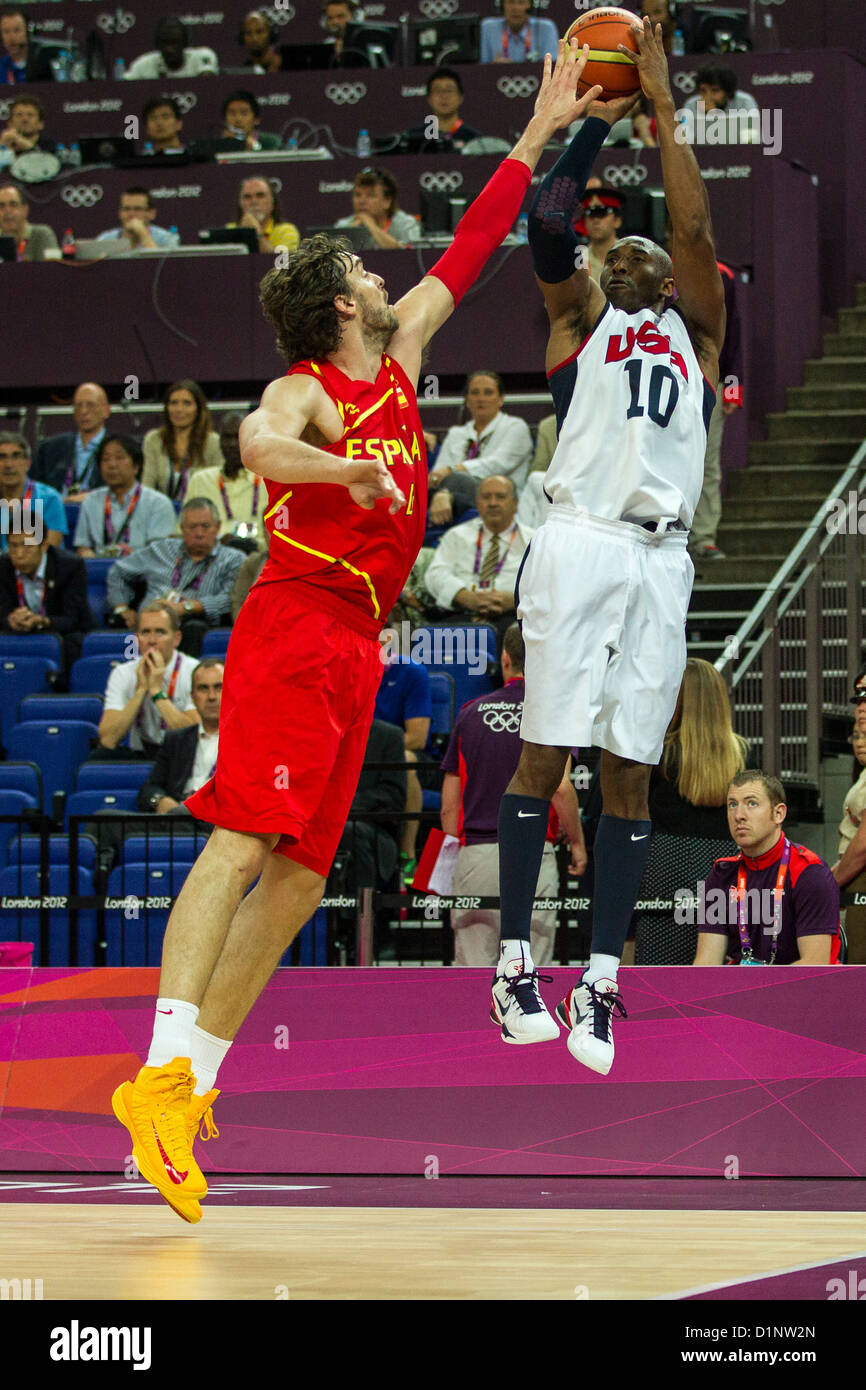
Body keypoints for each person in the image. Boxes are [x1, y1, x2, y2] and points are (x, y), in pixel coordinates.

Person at [108, 39, 609, 1223]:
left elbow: (472, 247)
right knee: (237, 848)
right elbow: (256, 450)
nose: (385, 274)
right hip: (291, 620)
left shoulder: (403, 351)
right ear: (340, 300)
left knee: (296, 879)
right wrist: (352, 474)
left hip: (356, 644)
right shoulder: (308, 388)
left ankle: (188, 1099)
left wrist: (534, 136)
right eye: (362, 269)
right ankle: (157, 1070)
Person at [494, 17, 725, 1075]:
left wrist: (667, 114)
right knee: (546, 756)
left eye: (642, 248)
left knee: (629, 776)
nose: (623, 251)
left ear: (672, 277)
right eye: (610, 245)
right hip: (579, 538)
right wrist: (589, 127)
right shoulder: (573, 322)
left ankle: (596, 983)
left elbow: (690, 221)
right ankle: (508, 967)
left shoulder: (699, 328)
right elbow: (546, 225)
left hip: (661, 559)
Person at [442, 622, 586, 967]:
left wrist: (453, 859)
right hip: (535, 853)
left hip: (477, 854)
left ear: (505, 659)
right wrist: (578, 844)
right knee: (531, 974)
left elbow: (449, 809)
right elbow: (562, 788)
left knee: (473, 975)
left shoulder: (469, 713)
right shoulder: (554, 713)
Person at [693, 772, 840, 966]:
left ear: (778, 813)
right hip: (741, 989)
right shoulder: (722, 874)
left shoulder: (809, 872)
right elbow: (706, 963)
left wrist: (756, 992)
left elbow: (814, 964)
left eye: (751, 803)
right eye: (732, 804)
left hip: (803, 990)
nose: (739, 816)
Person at [106, 499, 244, 650]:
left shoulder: (234, 559)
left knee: (194, 629)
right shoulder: (161, 550)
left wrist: (186, 607)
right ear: (182, 528)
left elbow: (230, 599)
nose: (199, 534)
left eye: (205, 526)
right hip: (148, 621)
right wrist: (122, 608)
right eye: (192, 527)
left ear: (217, 527)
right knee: (116, 625)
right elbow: (118, 572)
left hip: (193, 624)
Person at [424, 475, 531, 636]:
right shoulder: (457, 536)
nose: (493, 503)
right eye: (486, 497)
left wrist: (517, 599)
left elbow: (547, 586)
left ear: (515, 503)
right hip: (461, 616)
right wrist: (462, 595)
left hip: (513, 619)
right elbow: (435, 573)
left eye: (500, 497)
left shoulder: (533, 541)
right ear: (477, 503)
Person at [427, 371, 533, 527]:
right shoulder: (456, 433)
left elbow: (497, 465)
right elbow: (437, 475)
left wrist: (452, 470)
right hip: (454, 499)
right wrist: (443, 490)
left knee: (462, 479)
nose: (481, 399)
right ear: (467, 400)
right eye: (474, 393)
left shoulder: (516, 427)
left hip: (500, 500)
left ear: (501, 399)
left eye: (488, 393)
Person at [96, 601, 200, 760]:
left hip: (182, 755)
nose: (152, 640)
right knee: (100, 757)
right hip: (141, 752)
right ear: (136, 639)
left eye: (160, 632)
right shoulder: (123, 673)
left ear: (176, 638)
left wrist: (156, 691)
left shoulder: (194, 671)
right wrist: (141, 689)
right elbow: (108, 740)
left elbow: (192, 737)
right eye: (145, 632)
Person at [689, 258, 743, 561]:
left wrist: (733, 387)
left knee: (708, 462)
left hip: (712, 380)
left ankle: (705, 536)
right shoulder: (660, 268)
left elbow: (733, 331)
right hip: (672, 377)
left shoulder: (724, 274)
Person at [375, 617, 433, 883]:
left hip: (402, 756)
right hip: (359, 757)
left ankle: (407, 854)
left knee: (407, 760)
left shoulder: (411, 672)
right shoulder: (344, 670)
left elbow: (417, 739)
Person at [138, 660, 223, 815]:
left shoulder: (247, 741)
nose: (211, 696)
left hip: (219, 822)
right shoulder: (177, 740)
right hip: (177, 819)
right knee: (104, 821)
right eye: (203, 688)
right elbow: (148, 789)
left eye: (219, 687)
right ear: (193, 697)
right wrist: (159, 800)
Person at [0, 529, 93, 672]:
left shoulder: (70, 566)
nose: (19, 554)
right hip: (17, 631)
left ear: (43, 546)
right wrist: (11, 619)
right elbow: (2, 613)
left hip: (63, 631)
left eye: (27, 546)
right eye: (13, 546)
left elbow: (73, 619)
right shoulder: (3, 566)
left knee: (73, 642)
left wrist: (42, 621)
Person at [73, 435, 177, 558]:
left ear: (136, 466)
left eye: (119, 458)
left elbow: (160, 554)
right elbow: (83, 548)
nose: (112, 465)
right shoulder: (91, 501)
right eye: (105, 459)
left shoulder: (158, 503)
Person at [185, 413, 268, 550]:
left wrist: (254, 544)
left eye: (238, 437)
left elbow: (282, 537)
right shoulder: (200, 480)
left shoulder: (269, 481)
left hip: (258, 559)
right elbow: (185, 531)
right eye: (227, 438)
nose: (232, 444)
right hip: (212, 558)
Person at [141, 380, 223, 505]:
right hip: (161, 511)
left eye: (187, 403)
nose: (179, 409)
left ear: (198, 408)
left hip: (202, 512)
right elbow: (147, 485)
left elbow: (218, 485)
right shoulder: (153, 440)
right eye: (174, 403)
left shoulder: (213, 442)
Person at [33, 382, 111, 499]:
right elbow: (34, 490)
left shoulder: (120, 449)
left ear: (106, 411)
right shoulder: (50, 448)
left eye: (90, 405)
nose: (83, 411)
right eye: (78, 405)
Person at [830, 715, 866, 963]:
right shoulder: (862, 776)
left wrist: (830, 883)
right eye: (856, 735)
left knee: (859, 967)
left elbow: (863, 847)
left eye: (865, 735)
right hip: (854, 878)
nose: (860, 743)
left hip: (860, 876)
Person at [0, 432, 66, 551]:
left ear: (28, 463)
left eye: (16, 456)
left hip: (36, 567)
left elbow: (50, 548)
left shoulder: (49, 499)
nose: (8, 465)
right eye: (2, 457)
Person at [335, 167, 420, 252]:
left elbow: (408, 255)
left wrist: (370, 224)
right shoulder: (344, 225)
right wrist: (351, 232)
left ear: (387, 201)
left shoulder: (406, 224)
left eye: (371, 195)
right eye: (357, 195)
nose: (362, 201)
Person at [401, 69, 483, 154]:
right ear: (429, 98)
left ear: (461, 98)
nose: (444, 96)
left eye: (449, 90)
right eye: (437, 91)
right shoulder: (413, 138)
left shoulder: (475, 140)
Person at [124, 15, 218, 80]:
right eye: (165, 43)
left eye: (174, 43)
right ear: (157, 45)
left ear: (185, 43)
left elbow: (206, 85)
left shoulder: (202, 57)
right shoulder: (142, 65)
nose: (169, 49)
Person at [228, 177, 299, 255]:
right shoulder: (230, 230)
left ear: (272, 203)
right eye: (247, 197)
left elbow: (280, 261)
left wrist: (255, 233)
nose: (253, 202)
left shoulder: (286, 232)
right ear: (240, 204)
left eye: (260, 195)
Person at [96, 188, 179, 250]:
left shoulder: (167, 239)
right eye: (126, 209)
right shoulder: (105, 240)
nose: (131, 214)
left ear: (152, 214)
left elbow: (164, 268)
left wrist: (143, 234)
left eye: (137, 209)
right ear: (120, 213)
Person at [480, 0, 558, 65]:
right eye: (511, 2)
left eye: (521, 2)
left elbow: (554, 67)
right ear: (502, 6)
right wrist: (494, 68)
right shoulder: (488, 28)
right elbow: (479, 69)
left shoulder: (546, 28)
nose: (516, 8)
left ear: (530, 7)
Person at [682, 66, 760, 128]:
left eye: (714, 90)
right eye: (703, 90)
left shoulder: (745, 101)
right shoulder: (691, 105)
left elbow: (752, 137)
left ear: (727, 93)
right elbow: (685, 137)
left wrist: (715, 115)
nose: (708, 96)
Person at [576, 185, 625, 285]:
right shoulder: (578, 259)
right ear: (584, 221)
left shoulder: (631, 258)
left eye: (602, 213)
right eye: (590, 214)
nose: (596, 220)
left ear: (617, 221)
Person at [0, 183, 57, 262]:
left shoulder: (41, 235)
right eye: (1, 206)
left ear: (25, 210)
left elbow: (52, 271)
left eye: (13, 205)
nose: (7, 211)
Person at [0, 5, 54, 82]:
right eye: (6, 31)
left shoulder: (44, 66)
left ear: (28, 32)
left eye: (17, 30)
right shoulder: (1, 66)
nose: (11, 37)